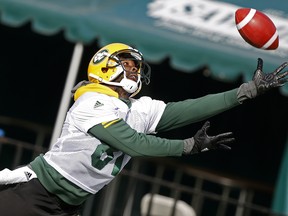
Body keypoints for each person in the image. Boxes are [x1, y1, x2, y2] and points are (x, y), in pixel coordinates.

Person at [0, 43, 287, 216]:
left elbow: (187, 109)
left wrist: (246, 92)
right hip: (33, 194)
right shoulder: (91, 99)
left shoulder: (136, 108)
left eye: (137, 66)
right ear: (104, 67)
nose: (135, 71)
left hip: (67, 206)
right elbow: (133, 143)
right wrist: (187, 146)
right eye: (127, 64)